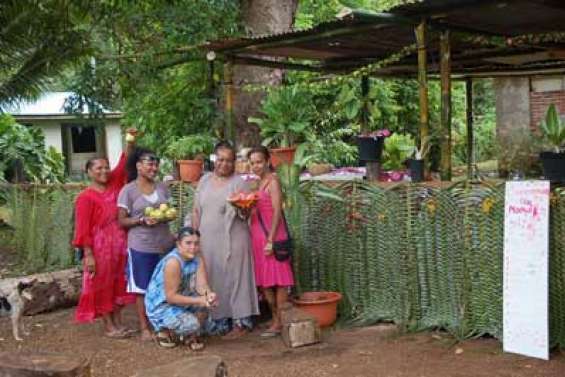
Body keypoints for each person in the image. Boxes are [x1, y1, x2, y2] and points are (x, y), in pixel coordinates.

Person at [186, 141, 259, 339]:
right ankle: (219, 321)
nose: (224, 164)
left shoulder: (239, 182)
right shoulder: (205, 180)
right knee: (213, 277)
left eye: (229, 160)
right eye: (221, 160)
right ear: (214, 159)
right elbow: (196, 209)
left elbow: (246, 213)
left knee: (237, 277)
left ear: (234, 162)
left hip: (234, 237)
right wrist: (193, 234)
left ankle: (241, 322)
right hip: (207, 240)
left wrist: (244, 208)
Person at [72, 129, 137, 338]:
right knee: (102, 285)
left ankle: (118, 321)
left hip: (120, 244)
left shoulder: (115, 183)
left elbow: (125, 163)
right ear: (89, 172)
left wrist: (130, 140)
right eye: (98, 168)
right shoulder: (85, 197)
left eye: (106, 167)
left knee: (119, 282)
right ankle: (109, 326)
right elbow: (82, 229)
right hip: (99, 248)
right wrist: (88, 255)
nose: (104, 171)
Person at [118, 147, 174, 341]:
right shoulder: (128, 190)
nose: (154, 167)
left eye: (156, 163)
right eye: (150, 163)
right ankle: (144, 328)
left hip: (165, 245)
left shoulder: (162, 188)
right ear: (138, 166)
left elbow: (169, 211)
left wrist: (167, 217)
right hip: (141, 246)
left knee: (166, 285)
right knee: (142, 287)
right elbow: (122, 220)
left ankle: (164, 324)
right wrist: (141, 220)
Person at [145, 227, 218, 349]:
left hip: (181, 297)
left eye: (196, 243)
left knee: (204, 308)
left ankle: (187, 335)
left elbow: (202, 285)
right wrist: (199, 300)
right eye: (188, 243)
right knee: (193, 323)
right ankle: (165, 332)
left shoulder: (198, 258)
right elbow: (171, 297)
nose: (193, 247)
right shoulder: (173, 262)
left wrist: (208, 295)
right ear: (179, 244)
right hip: (162, 304)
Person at [248, 146, 294, 337]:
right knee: (265, 282)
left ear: (267, 161)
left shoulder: (273, 182)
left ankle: (279, 321)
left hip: (272, 236)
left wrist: (271, 239)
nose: (255, 166)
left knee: (280, 280)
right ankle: (275, 317)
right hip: (258, 238)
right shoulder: (258, 183)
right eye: (252, 163)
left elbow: (276, 212)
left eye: (259, 161)